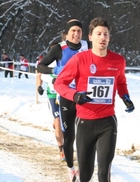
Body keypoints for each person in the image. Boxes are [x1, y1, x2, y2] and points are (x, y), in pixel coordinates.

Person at [54, 17, 135, 182]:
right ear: (90, 37)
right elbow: (59, 84)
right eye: (98, 34)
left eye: (106, 34)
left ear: (109, 38)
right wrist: (75, 95)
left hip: (108, 122)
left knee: (104, 173)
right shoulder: (80, 59)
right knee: (85, 174)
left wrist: (125, 97)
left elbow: (120, 81)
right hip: (85, 122)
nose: (102, 38)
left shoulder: (118, 61)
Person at [37, 19, 90, 181]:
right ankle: (70, 168)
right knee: (70, 135)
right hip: (67, 97)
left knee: (86, 134)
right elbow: (40, 66)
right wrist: (55, 69)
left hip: (85, 96)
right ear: (67, 33)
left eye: (79, 31)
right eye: (73, 31)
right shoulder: (60, 48)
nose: (76, 34)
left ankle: (83, 166)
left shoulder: (88, 46)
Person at [37, 42, 65, 161]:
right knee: (58, 120)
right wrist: (39, 87)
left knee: (66, 123)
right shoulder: (48, 62)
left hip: (64, 94)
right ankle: (62, 149)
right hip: (52, 95)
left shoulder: (66, 59)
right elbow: (40, 75)